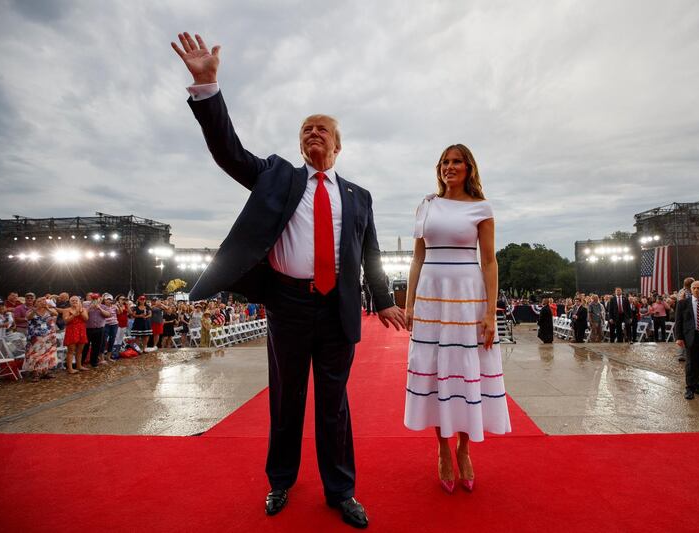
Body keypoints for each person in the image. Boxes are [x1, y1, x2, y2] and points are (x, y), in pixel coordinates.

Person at [173, 31, 406, 529]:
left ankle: (340, 490)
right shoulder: (279, 175)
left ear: (338, 144)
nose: (312, 134)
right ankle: (280, 480)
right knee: (286, 397)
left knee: (334, 404)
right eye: (306, 129)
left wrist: (383, 298)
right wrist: (208, 90)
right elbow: (230, 153)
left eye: (322, 129)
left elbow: (371, 252)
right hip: (287, 303)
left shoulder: (359, 196)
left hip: (337, 307)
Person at [403, 144, 511, 494]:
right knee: (436, 370)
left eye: (456, 162)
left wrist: (490, 313)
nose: (449, 167)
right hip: (432, 298)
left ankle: (464, 448)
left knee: (465, 371)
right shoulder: (427, 205)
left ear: (469, 168)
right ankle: (442, 448)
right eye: (445, 162)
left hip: (468, 297)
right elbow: (417, 258)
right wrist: (408, 304)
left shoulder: (482, 207)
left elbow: (490, 261)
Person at [23, 297, 58, 381]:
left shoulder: (49, 310)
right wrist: (35, 310)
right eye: (39, 301)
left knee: (47, 354)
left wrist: (47, 308)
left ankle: (45, 372)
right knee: (35, 354)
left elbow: (55, 314)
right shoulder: (31, 311)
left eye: (43, 301)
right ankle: (35, 374)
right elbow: (28, 317)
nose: (41, 302)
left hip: (49, 336)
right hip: (35, 337)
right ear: (35, 303)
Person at [59, 296, 89, 374]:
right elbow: (65, 321)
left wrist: (81, 312)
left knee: (80, 350)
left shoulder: (83, 309)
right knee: (71, 350)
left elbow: (86, 319)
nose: (74, 302)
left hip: (81, 330)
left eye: (76, 300)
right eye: (72, 300)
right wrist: (74, 315)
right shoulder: (66, 310)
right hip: (71, 330)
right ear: (70, 302)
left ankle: (79, 366)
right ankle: (70, 368)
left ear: (79, 301)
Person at [100, 294, 119, 363]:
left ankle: (108, 357)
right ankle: (101, 358)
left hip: (114, 324)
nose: (109, 301)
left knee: (112, 340)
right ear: (104, 300)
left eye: (110, 299)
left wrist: (118, 306)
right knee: (104, 340)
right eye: (107, 299)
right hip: (105, 325)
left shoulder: (114, 306)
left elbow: (119, 312)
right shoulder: (102, 306)